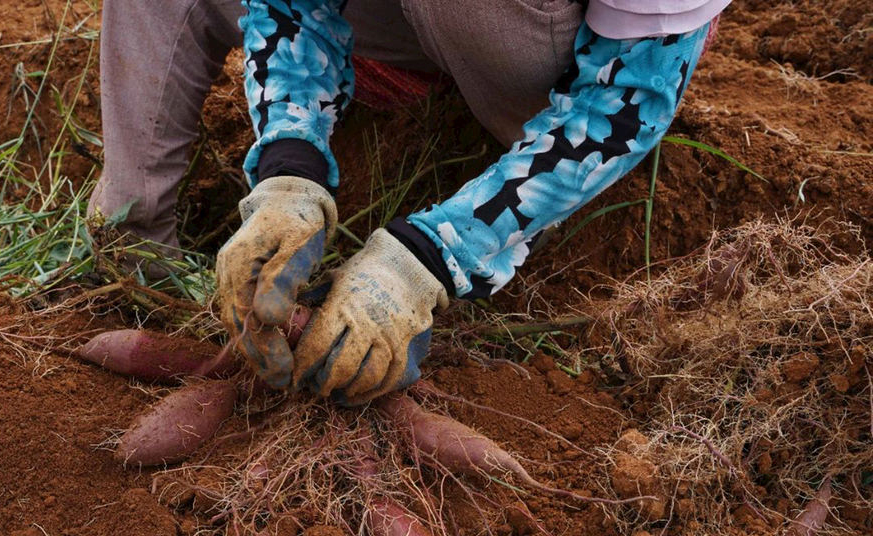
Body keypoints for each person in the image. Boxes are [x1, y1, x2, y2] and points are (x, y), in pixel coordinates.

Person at [89, 0, 728, 404]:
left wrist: (433, 254)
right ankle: (139, 254)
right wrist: (291, 163)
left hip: (541, 55)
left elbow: (625, 103)